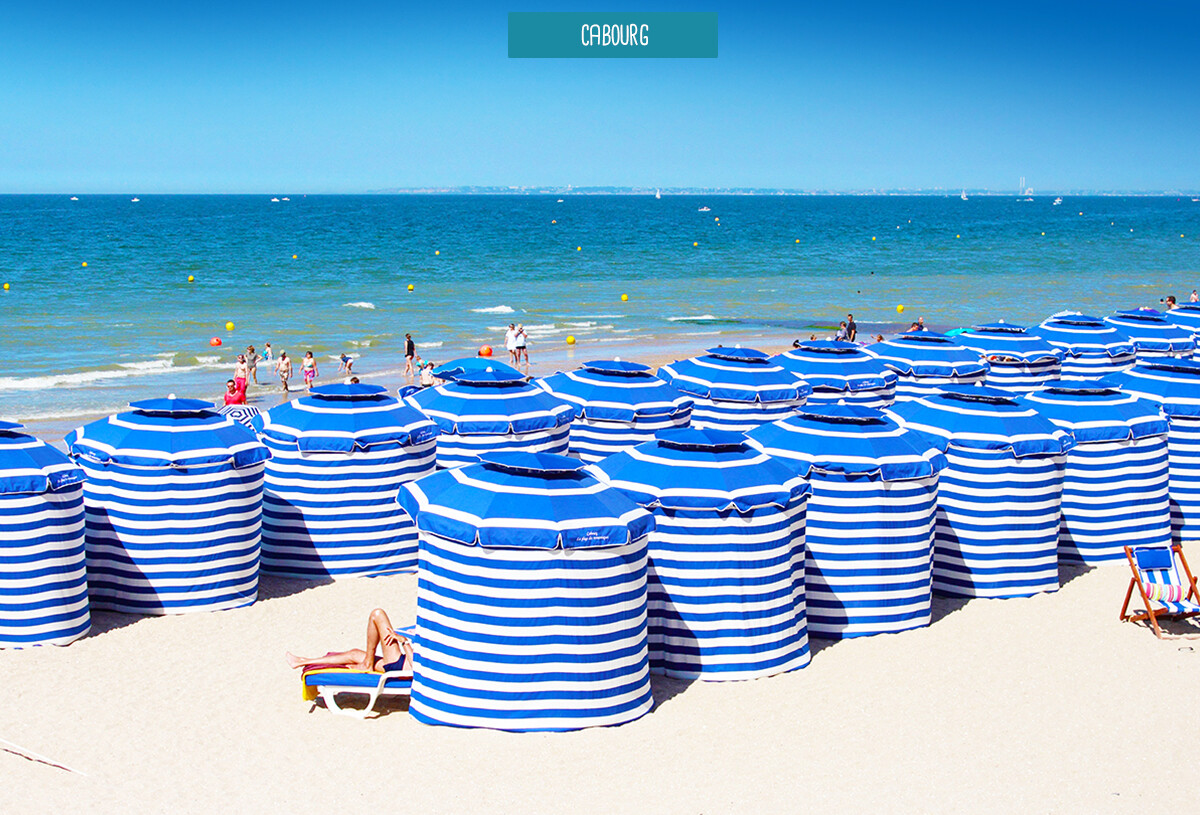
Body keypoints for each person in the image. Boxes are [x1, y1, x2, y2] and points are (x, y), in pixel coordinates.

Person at [286, 609, 413, 674]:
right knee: (354, 653)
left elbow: (416, 665)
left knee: (378, 614)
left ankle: (367, 664)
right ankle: (303, 661)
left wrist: (404, 642)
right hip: (398, 662)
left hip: (398, 664)